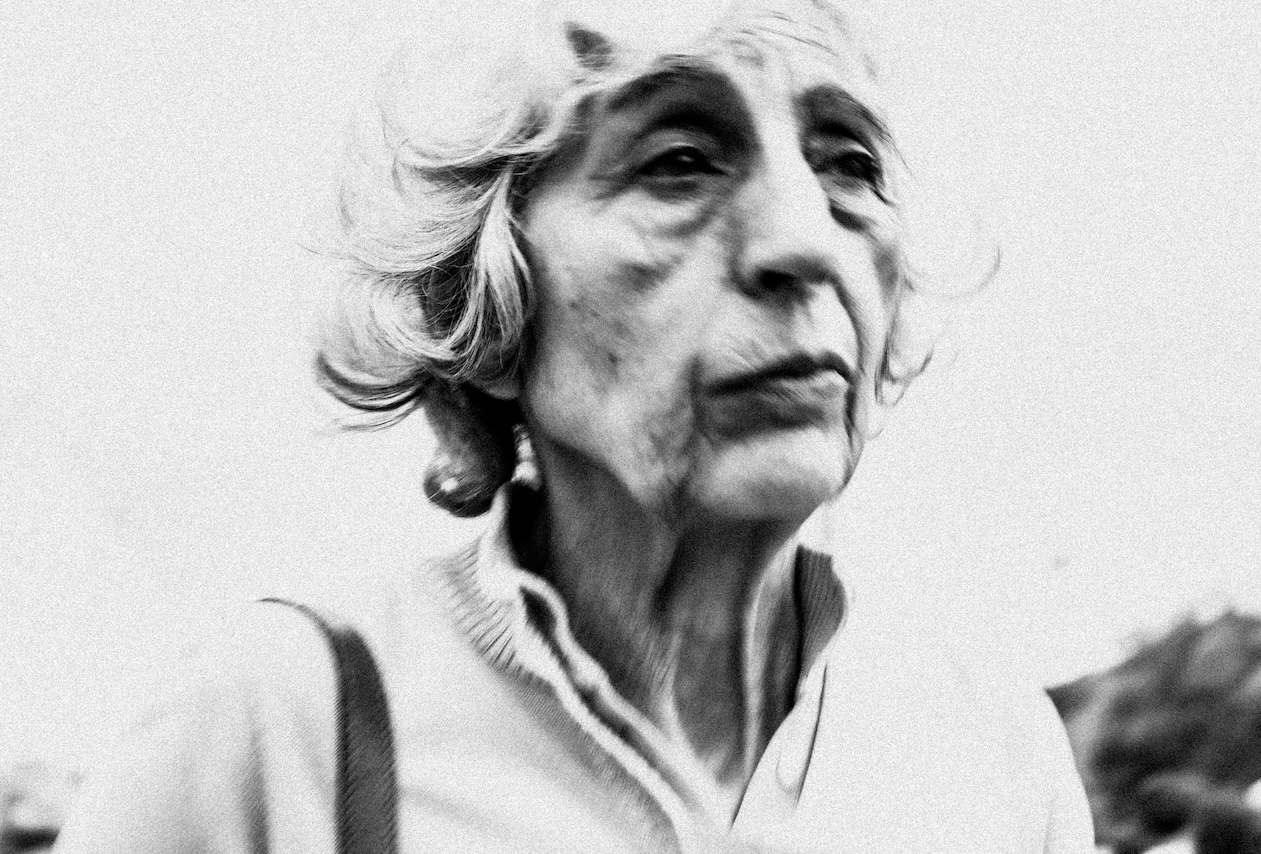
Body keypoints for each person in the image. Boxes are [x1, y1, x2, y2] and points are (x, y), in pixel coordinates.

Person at [55, 0, 1096, 851]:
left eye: (848, 164)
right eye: (679, 160)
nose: (804, 240)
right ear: (488, 297)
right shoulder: (275, 731)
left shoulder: (989, 748)